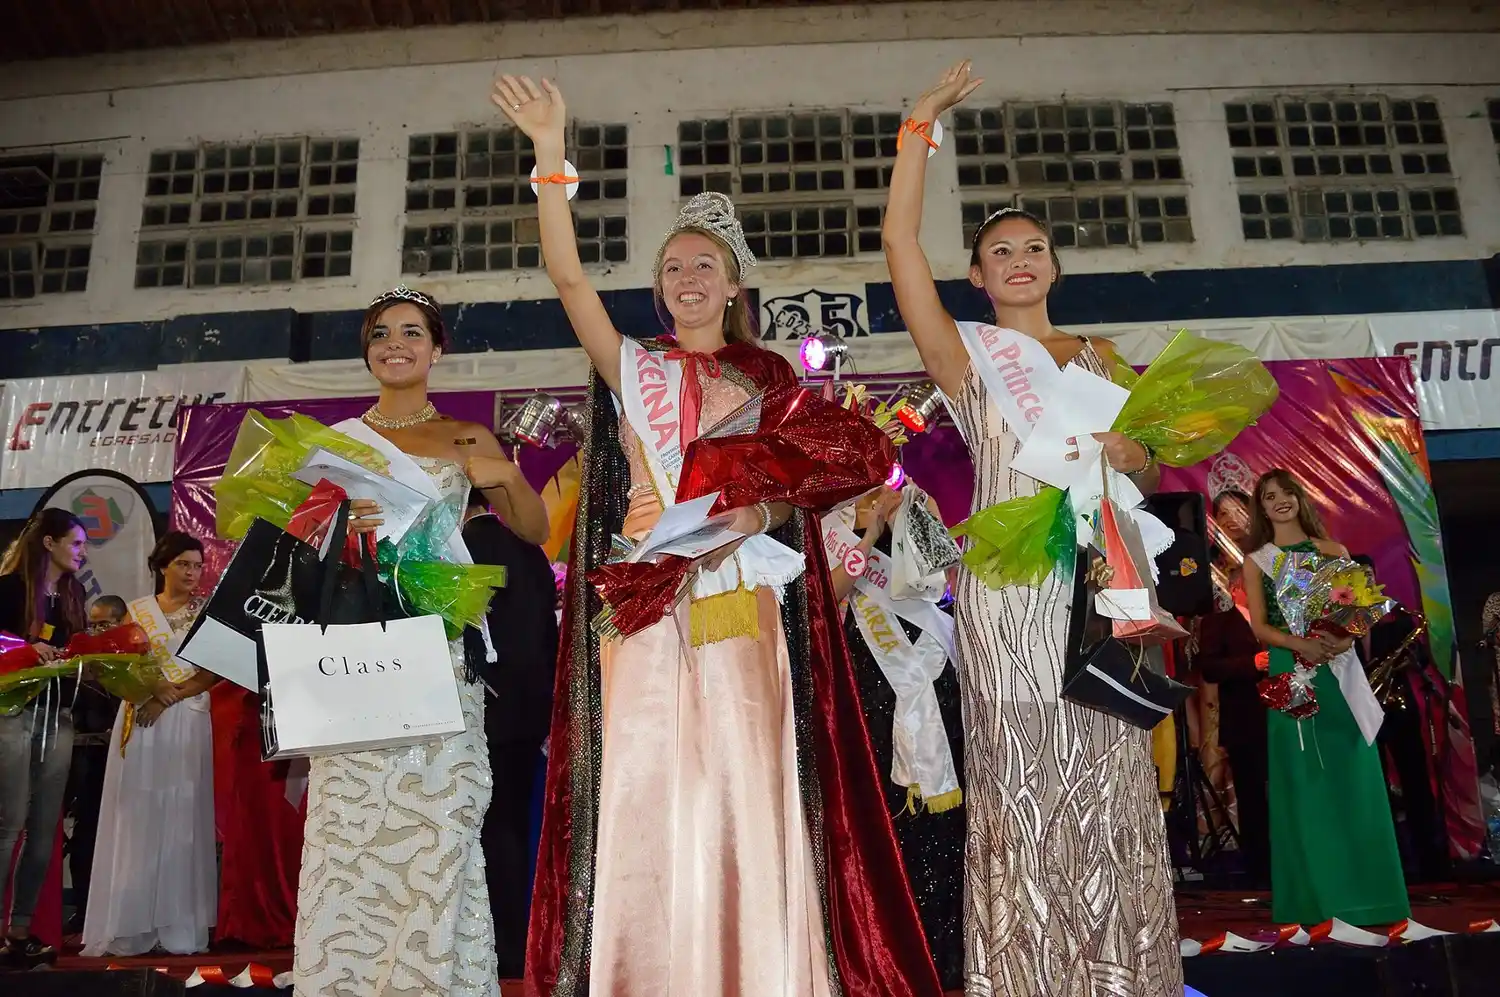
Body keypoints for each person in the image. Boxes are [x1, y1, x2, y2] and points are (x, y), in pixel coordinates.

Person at [495, 73, 940, 997]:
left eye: (704, 267)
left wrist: (759, 512)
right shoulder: (634, 366)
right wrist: (549, 156)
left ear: (733, 285)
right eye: (672, 269)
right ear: (658, 292)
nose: (687, 280)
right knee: (647, 782)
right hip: (644, 594)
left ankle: (757, 969)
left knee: (742, 781)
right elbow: (568, 276)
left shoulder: (771, 376)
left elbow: (815, 480)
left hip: (740, 589)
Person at [881, 59, 1181, 995]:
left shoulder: (1106, 357)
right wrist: (916, 133)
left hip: (1098, 581)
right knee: (1019, 778)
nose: (1020, 259)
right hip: (1009, 595)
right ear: (977, 275)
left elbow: (1153, 461)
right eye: (1001, 251)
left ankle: (1121, 973)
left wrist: (1138, 458)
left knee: (1111, 771)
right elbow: (898, 247)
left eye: (1035, 247)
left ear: (1053, 263)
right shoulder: (969, 356)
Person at [293, 283, 547, 997]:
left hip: (437, 652)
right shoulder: (336, 443)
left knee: (439, 822)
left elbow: (533, 530)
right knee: (353, 827)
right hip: (354, 658)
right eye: (380, 333)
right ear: (367, 350)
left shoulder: (466, 437)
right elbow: (299, 549)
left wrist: (503, 476)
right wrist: (339, 521)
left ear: (437, 349)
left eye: (411, 332)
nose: (394, 344)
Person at [1241, 469, 1410, 925]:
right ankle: (1314, 900)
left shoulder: (1333, 552)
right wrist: (1303, 646)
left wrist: (1341, 638)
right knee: (1306, 778)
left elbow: (1357, 611)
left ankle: (1373, 896)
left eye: (1286, 492)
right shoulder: (1258, 560)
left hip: (1338, 670)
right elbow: (1260, 627)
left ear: (1299, 497)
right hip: (1292, 671)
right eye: (1269, 496)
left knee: (1354, 773)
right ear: (1261, 507)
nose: (1280, 501)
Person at [826, 484, 966, 989]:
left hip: (930, 666)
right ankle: (885, 950)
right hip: (864, 675)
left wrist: (918, 514)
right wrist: (870, 532)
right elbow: (827, 597)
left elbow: (939, 585)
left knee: (942, 819)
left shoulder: (917, 501)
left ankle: (946, 947)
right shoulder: (828, 526)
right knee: (877, 813)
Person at [82, 532, 217, 957]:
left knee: (181, 810)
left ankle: (178, 926)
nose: (192, 573)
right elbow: (120, 664)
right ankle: (130, 924)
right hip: (142, 714)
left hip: (187, 714)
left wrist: (171, 695)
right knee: (138, 810)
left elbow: (217, 667)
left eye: (197, 566)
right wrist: (150, 693)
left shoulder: (207, 612)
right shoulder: (137, 611)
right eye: (184, 565)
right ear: (163, 566)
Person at [462, 487, 557, 980]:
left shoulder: (456, 554)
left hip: (476, 710)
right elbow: (551, 634)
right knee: (514, 831)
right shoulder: (531, 550)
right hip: (528, 712)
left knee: (475, 833)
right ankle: (517, 946)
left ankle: (480, 946)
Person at [0, 509, 88, 969]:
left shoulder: (73, 593)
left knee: (43, 830)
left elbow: (76, 648)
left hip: (60, 716)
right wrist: (23, 648)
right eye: (75, 543)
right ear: (49, 542)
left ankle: (20, 930)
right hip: (13, 714)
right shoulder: (10, 588)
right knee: (9, 824)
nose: (81, 552)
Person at [1194, 488, 1271, 886]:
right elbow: (1207, 667)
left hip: (1284, 718)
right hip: (1241, 721)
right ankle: (1259, 869)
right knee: (1253, 800)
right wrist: (1252, 663)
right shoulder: (1218, 617)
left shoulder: (1277, 617)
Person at [63, 595, 130, 935]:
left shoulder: (135, 660)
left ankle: (120, 909)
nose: (97, 631)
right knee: (85, 834)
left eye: (104, 624)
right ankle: (84, 907)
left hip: (123, 759)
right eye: (93, 624)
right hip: (87, 760)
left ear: (121, 623)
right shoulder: (81, 661)